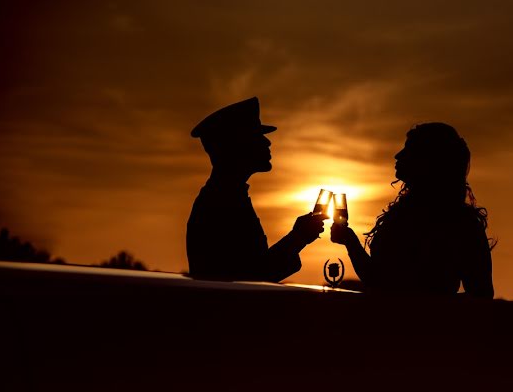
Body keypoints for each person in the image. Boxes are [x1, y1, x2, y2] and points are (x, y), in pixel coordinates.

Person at [330, 122, 494, 298]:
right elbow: (378, 279)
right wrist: (350, 240)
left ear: (429, 160)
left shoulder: (461, 224)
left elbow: (481, 294)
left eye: (408, 150)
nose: (397, 155)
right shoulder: (404, 214)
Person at [186, 97, 325, 281]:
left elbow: (250, 269)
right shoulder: (221, 203)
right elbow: (251, 275)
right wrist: (298, 237)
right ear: (237, 146)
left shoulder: (227, 196)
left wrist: (298, 237)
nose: (268, 142)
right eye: (257, 136)